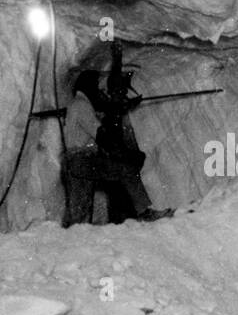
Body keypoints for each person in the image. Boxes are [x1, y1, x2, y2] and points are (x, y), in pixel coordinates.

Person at [66, 40, 172, 224]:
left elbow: (103, 114)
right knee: (126, 170)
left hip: (76, 162)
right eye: (96, 87)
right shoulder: (82, 106)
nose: (99, 91)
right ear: (88, 87)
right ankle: (144, 213)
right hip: (83, 160)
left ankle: (76, 241)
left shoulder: (79, 104)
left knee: (79, 214)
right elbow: (101, 135)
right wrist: (122, 155)